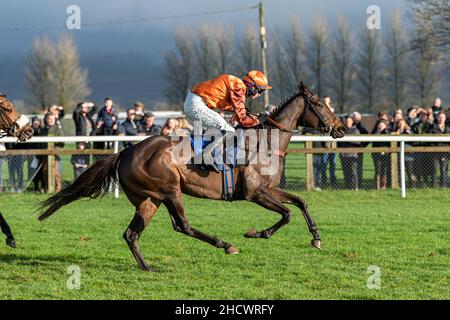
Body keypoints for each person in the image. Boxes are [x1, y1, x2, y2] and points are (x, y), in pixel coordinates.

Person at [183, 70, 271, 171]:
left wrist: (245, 113)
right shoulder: (238, 87)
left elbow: (228, 107)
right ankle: (205, 155)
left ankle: (210, 154)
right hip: (196, 104)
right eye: (260, 91)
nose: (259, 94)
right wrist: (259, 120)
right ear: (253, 87)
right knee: (229, 131)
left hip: (195, 102)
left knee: (223, 130)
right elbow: (243, 120)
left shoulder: (237, 84)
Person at [42, 114, 65, 192]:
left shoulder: (58, 129)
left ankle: (58, 188)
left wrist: (56, 150)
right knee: (45, 171)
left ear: (55, 119)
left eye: (52, 119)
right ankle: (46, 188)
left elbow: (62, 142)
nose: (50, 120)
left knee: (56, 172)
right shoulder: (43, 129)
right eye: (49, 119)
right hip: (45, 154)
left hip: (55, 154)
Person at [338, 116, 361, 190]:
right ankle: (347, 186)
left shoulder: (355, 130)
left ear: (352, 122)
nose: (348, 123)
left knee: (354, 172)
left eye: (349, 121)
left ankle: (355, 187)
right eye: (347, 121)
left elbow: (358, 142)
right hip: (344, 155)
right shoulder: (342, 130)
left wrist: (347, 139)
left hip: (353, 155)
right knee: (345, 172)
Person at [412, 110, 433, 187]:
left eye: (424, 115)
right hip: (417, 148)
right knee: (417, 165)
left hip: (427, 148)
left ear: (427, 116)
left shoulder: (430, 126)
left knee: (427, 165)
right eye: (421, 115)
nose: (423, 117)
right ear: (419, 116)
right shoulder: (414, 125)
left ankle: (425, 181)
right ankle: (419, 181)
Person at [431, 111, 450, 188]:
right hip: (435, 152)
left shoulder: (448, 128)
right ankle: (434, 185)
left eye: (442, 117)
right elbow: (430, 142)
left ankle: (444, 186)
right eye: (439, 117)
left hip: (445, 153)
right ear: (437, 118)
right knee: (435, 170)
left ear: (445, 118)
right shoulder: (432, 128)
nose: (441, 119)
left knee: (444, 169)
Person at [395, 119, 415, 187]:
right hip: (399, 153)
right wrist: (396, 135)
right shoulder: (396, 132)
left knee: (410, 171)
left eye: (402, 123)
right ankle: (400, 185)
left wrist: (409, 133)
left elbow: (412, 139)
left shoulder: (408, 131)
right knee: (400, 171)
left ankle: (412, 185)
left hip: (408, 153)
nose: (401, 125)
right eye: (399, 123)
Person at [371, 120, 390, 190]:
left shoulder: (387, 132)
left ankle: (384, 185)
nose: (381, 126)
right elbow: (374, 138)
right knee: (378, 170)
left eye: (383, 125)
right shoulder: (375, 132)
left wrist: (384, 131)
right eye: (380, 125)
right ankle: (377, 186)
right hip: (376, 154)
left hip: (386, 154)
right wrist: (378, 131)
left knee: (385, 170)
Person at [323, 96, 337, 188]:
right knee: (324, 165)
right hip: (325, 145)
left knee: (333, 165)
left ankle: (333, 182)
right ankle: (324, 181)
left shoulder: (332, 111)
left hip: (333, 145)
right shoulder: (323, 113)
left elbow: (331, 112)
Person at [352, 112, 368, 189]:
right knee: (352, 169)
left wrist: (362, 146)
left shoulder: (362, 128)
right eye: (355, 118)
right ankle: (352, 184)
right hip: (350, 151)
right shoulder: (350, 126)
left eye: (358, 118)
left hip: (359, 151)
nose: (356, 119)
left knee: (359, 168)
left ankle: (359, 184)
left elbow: (368, 139)